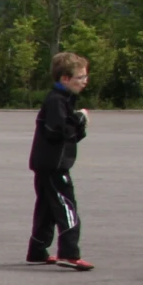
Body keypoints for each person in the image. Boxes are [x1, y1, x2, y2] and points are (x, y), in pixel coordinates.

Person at [28, 52, 93, 270]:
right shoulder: (56, 101)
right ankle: (69, 252)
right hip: (53, 166)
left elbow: (71, 134)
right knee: (66, 206)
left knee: (46, 209)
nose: (84, 81)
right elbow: (58, 131)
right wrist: (79, 119)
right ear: (64, 78)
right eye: (80, 77)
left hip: (49, 164)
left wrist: (78, 124)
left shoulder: (64, 100)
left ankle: (37, 250)